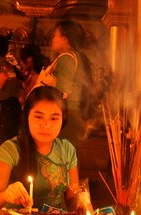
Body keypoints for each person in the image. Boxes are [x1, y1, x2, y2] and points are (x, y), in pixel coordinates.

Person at [0, 86, 83, 212]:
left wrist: (83, 202)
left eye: (54, 118)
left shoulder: (67, 149)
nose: (46, 125)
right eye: (39, 117)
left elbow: (72, 199)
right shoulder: (10, 149)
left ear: (63, 120)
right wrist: (5, 195)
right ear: (27, 116)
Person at [49, 19, 93, 149]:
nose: (53, 39)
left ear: (65, 39)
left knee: (61, 159)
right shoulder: (79, 57)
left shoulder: (66, 58)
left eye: (55, 35)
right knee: (71, 159)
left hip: (66, 116)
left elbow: (61, 93)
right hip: (76, 115)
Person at [0, 33, 22, 149]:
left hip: (3, 109)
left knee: (1, 145)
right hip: (15, 108)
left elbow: (2, 77)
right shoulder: (10, 66)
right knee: (12, 144)